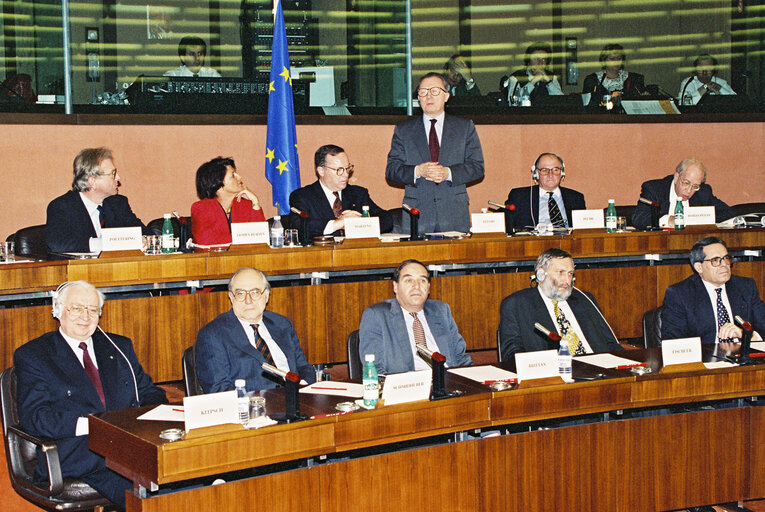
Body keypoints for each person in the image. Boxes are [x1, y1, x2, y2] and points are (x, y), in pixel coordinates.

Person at [14, 280, 167, 510]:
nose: (85, 316)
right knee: (151, 498)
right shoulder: (34, 355)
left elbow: (148, 392)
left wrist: (149, 416)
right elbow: (36, 417)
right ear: (57, 311)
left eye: (93, 309)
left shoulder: (118, 347)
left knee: (188, 481)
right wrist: (90, 426)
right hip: (80, 453)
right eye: (76, 308)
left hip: (129, 446)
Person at [385, 72, 485, 234]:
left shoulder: (464, 127)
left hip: (454, 213)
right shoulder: (404, 130)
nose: (428, 96)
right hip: (417, 214)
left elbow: (477, 167)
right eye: (423, 92)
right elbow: (392, 171)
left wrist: (448, 173)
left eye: (434, 91)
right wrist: (418, 171)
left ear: (446, 96)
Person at [195, 268, 316, 392]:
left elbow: (304, 367)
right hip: (253, 407)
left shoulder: (282, 324)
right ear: (231, 297)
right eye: (240, 293)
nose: (248, 300)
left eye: (255, 292)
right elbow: (219, 389)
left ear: (266, 295)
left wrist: (301, 390)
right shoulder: (213, 334)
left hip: (296, 400)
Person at [499, 248, 621, 361]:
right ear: (541, 274)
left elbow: (610, 343)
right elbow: (511, 355)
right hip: (555, 373)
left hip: (599, 369)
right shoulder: (516, 304)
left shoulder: (585, 299)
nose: (567, 280)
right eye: (560, 272)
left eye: (570, 273)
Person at [359, 259, 473, 375]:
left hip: (448, 384)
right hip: (406, 386)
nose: (416, 286)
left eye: (422, 280)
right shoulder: (377, 315)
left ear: (428, 288)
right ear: (395, 286)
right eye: (409, 280)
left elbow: (461, 359)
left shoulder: (441, 310)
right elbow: (375, 370)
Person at [661, 237, 765, 344]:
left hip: (742, 356)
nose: (724, 264)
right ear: (699, 267)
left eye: (726, 258)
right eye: (715, 260)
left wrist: (746, 335)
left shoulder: (745, 287)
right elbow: (673, 341)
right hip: (705, 357)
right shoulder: (680, 294)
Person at [45, 147, 147, 254]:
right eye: (112, 173)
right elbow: (57, 243)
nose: (118, 177)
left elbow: (145, 233)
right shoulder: (61, 206)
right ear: (92, 182)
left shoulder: (118, 204)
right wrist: (104, 243)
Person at [288, 144, 393, 239]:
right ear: (321, 171)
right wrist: (338, 223)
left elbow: (387, 220)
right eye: (339, 170)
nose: (346, 174)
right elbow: (298, 226)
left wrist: (362, 222)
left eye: (347, 168)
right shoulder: (303, 196)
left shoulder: (358, 194)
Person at [631, 158, 736, 230]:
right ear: (676, 177)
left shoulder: (703, 192)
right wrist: (669, 220)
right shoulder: (654, 189)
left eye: (695, 186)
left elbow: (728, 213)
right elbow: (639, 218)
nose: (689, 190)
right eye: (686, 183)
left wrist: (701, 219)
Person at [190, 156, 265, 246]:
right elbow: (205, 240)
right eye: (233, 175)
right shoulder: (201, 208)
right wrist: (246, 237)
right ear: (218, 184)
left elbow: (261, 237)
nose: (239, 177)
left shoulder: (247, 205)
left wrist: (255, 201)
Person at [505, 152, 586, 229]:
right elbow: (504, 223)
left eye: (555, 169)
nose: (550, 175)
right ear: (536, 174)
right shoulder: (519, 196)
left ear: (562, 173)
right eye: (544, 170)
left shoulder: (576, 198)